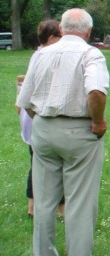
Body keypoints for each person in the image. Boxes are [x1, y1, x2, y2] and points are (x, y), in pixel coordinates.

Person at [16, 8, 110, 256]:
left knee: (44, 201)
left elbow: (25, 100)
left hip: (44, 128)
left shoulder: (41, 54)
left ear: (62, 27)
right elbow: (97, 92)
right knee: (79, 203)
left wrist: (45, 120)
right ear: (88, 31)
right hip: (80, 131)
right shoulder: (91, 54)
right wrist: (98, 122)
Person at [15, 20, 64, 218]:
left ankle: (32, 206)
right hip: (37, 117)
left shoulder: (37, 55)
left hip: (31, 117)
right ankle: (59, 209)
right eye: (61, 37)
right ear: (52, 38)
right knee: (53, 164)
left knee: (37, 162)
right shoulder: (46, 57)